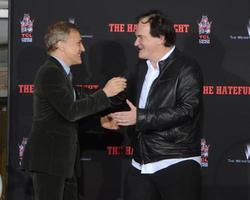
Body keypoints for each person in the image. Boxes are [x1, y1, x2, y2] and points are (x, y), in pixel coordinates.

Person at [21, 21, 127, 200]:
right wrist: (105, 93)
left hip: (62, 163)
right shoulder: (50, 73)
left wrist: (99, 120)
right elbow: (71, 111)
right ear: (60, 45)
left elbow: (65, 115)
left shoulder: (61, 74)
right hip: (50, 162)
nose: (83, 48)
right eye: (78, 43)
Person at [110, 10, 203, 200]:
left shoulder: (187, 67)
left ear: (160, 38)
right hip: (140, 163)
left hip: (176, 162)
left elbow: (187, 110)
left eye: (140, 37)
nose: (136, 43)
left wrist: (140, 117)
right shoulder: (140, 67)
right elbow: (125, 101)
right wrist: (110, 116)